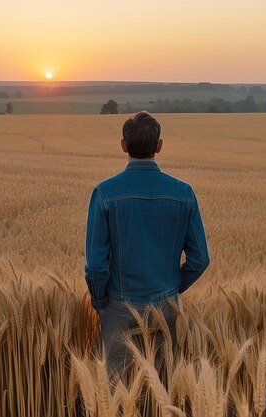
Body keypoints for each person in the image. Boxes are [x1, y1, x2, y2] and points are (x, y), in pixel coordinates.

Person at [84, 111, 210, 380]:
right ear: (159, 146)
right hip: (167, 309)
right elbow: (200, 260)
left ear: (123, 146)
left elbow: (96, 265)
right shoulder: (183, 192)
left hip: (118, 307)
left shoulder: (105, 193)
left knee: (117, 396)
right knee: (165, 390)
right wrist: (172, 287)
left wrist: (99, 302)